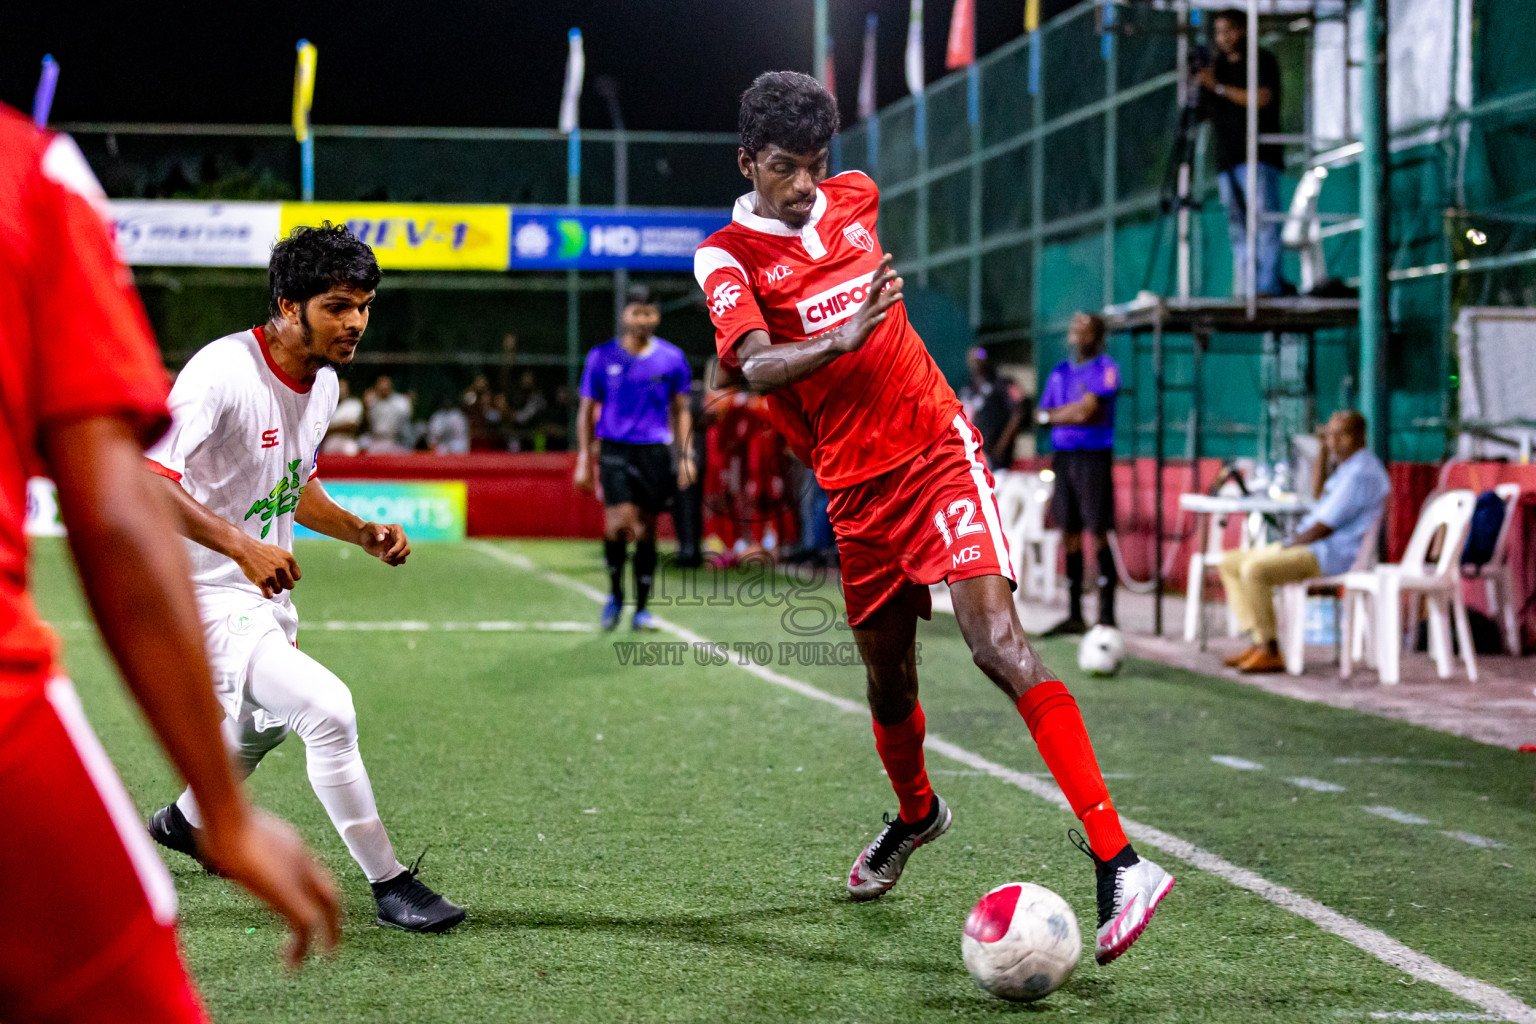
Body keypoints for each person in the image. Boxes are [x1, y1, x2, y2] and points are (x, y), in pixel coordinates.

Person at [694, 71, 1171, 965]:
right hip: (854, 490)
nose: (807, 188)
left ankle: (1121, 862)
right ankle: (918, 815)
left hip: (936, 452)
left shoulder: (856, 200)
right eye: (788, 169)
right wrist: (839, 339)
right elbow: (748, 368)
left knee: (998, 644)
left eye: (818, 167)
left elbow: (839, 290)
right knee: (889, 688)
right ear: (749, 161)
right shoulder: (725, 256)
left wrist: (859, 338)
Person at [0, 103, 338, 1023]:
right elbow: (116, 510)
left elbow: (292, 485)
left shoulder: (322, 388)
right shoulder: (34, 175)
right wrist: (223, 815)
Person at [142, 224, 465, 933]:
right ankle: (391, 884)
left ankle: (185, 822)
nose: (355, 322)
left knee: (260, 728)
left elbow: (294, 483)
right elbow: (147, 478)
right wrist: (239, 547)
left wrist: (360, 532)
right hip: (197, 590)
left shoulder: (322, 382)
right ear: (289, 306)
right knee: (327, 710)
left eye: (365, 305)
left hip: (259, 593)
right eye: (338, 306)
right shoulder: (221, 372)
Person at [1219, 410, 1388, 673]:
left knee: (1255, 570)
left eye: (1339, 435)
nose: (1333, 441)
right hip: (1312, 546)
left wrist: (1290, 544)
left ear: (1359, 436)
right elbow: (1319, 495)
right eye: (1329, 435)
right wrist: (1322, 449)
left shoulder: (1360, 473)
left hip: (1329, 554)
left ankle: (1270, 649)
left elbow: (1324, 526)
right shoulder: (1347, 468)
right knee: (1230, 562)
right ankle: (1258, 640)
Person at [574, 286, 697, 631]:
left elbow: (682, 410)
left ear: (657, 316)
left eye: (648, 312)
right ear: (624, 315)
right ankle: (615, 595)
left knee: (646, 530)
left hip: (655, 451)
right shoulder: (601, 357)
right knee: (619, 525)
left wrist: (686, 455)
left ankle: (641, 609)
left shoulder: (672, 359)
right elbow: (585, 412)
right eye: (636, 312)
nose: (642, 319)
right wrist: (585, 457)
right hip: (614, 448)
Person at [1038, 312, 1121, 635]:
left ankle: (1107, 616)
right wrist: (1069, 414)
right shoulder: (1059, 372)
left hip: (1093, 459)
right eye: (1073, 328)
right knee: (1069, 531)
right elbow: (1042, 413)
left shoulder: (1107, 369)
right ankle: (1074, 614)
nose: (1075, 333)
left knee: (1097, 530)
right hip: (1063, 459)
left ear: (1096, 335)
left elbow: (1090, 411)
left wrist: (1057, 416)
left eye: (1083, 328)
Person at [1197, 8, 1288, 297]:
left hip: (1258, 158)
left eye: (1227, 31)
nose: (1222, 39)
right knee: (1238, 227)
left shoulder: (1261, 61)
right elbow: (1201, 112)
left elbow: (1262, 98)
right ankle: (1248, 287)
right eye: (1218, 33)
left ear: (1242, 31)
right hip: (1227, 162)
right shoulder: (1217, 67)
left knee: (1263, 223)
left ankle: (1267, 286)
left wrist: (1220, 89)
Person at [959, 345, 1027, 472]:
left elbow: (1018, 412)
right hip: (971, 453)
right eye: (972, 358)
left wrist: (1001, 446)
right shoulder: (967, 389)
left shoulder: (1002, 383)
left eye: (980, 356)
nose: (976, 361)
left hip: (996, 455)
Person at [363, 373, 412, 452]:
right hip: (375, 440)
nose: (383, 389)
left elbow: (405, 422)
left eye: (386, 386)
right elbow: (366, 424)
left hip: (395, 441)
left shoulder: (400, 402)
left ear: (391, 386)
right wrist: (366, 407)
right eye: (380, 386)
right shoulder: (372, 402)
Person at [321, 377, 364, 455]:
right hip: (330, 441)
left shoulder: (354, 404)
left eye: (343, 387)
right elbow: (321, 429)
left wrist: (330, 428)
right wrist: (341, 426)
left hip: (347, 440)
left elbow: (352, 427)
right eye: (338, 386)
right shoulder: (327, 404)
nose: (341, 390)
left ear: (347, 389)